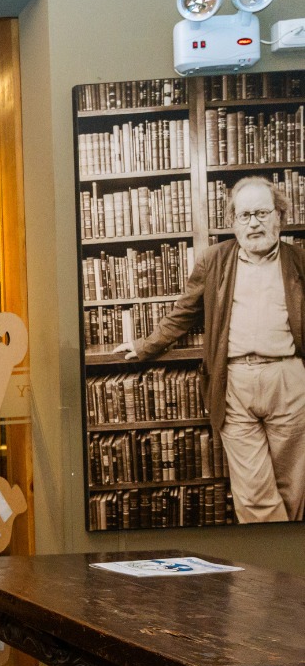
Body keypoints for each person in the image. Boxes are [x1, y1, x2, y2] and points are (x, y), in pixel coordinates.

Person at [115, 176, 305, 522]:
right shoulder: (214, 260)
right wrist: (145, 346)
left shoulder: (298, 260)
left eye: (262, 213)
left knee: (295, 487)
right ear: (233, 221)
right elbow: (183, 312)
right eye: (244, 215)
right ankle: (275, 569)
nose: (254, 223)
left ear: (280, 216)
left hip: (289, 379)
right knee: (254, 495)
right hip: (233, 382)